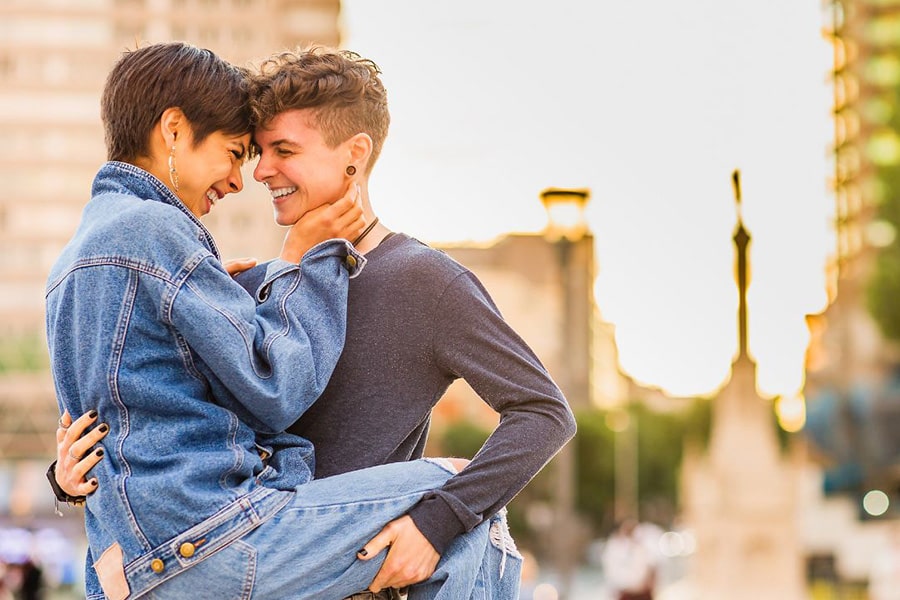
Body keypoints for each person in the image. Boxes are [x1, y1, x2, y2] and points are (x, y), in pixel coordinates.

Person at [45, 41, 523, 600]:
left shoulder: (79, 254)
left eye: (279, 152)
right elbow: (273, 392)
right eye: (236, 151)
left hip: (129, 557)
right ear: (173, 130)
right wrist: (308, 261)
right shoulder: (160, 235)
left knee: (457, 511)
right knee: (461, 499)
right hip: (211, 539)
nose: (243, 177)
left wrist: (63, 481)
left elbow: (128, 410)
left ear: (356, 154)